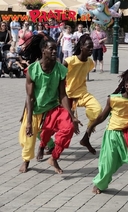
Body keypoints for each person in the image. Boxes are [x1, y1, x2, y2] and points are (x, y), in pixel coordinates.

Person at [18, 33, 81, 174]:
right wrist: (27, 121)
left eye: (55, 48)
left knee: (68, 127)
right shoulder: (32, 70)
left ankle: (54, 156)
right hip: (35, 109)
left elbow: (62, 94)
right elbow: (30, 97)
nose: (54, 51)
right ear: (43, 51)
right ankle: (26, 160)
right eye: (51, 49)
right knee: (28, 138)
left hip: (52, 108)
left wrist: (72, 115)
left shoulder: (60, 69)